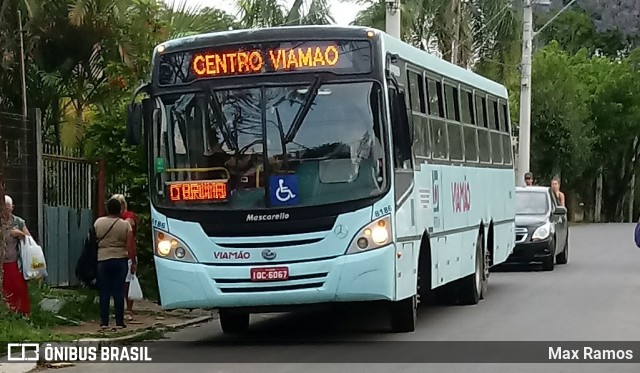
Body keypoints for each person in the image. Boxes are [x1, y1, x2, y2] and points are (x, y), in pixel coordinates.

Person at [95, 197, 136, 331]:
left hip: (102, 260)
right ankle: (119, 321)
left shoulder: (98, 223)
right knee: (119, 291)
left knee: (104, 291)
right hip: (120, 260)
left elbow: (92, 240)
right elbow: (130, 245)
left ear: (107, 209)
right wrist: (133, 262)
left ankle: (104, 322)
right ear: (120, 209)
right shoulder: (125, 225)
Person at [2, 195, 31, 316]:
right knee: (4, 288)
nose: (6, 211)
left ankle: (23, 313)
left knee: (19, 287)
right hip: (2, 262)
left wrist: (20, 234)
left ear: (12, 208)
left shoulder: (18, 222)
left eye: (8, 208)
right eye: (4, 208)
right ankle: (7, 313)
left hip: (14, 262)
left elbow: (30, 239)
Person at [112, 194, 138, 321]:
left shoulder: (129, 216)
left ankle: (129, 309)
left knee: (128, 282)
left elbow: (130, 226)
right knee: (118, 283)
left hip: (128, 253)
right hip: (116, 252)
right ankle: (120, 308)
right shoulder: (112, 218)